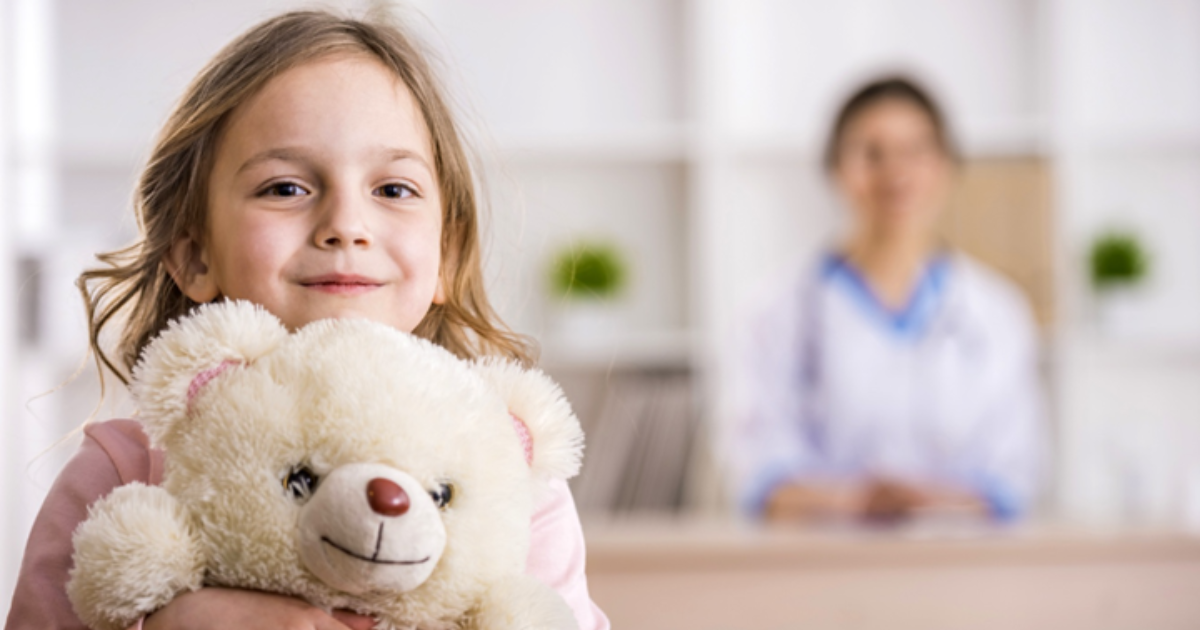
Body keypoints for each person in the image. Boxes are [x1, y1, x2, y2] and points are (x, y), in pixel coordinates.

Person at [5, 11, 609, 630]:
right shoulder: (122, 476)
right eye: (286, 188)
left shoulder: (502, 472)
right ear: (194, 255)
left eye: (394, 190)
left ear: (446, 257)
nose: (346, 224)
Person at [730, 77, 1043, 524]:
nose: (895, 173)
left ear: (947, 167)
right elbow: (757, 474)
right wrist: (855, 502)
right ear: (835, 169)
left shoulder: (996, 312)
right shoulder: (774, 309)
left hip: (959, 567)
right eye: (871, 153)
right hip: (819, 572)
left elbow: (1015, 477)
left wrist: (924, 503)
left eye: (916, 151)